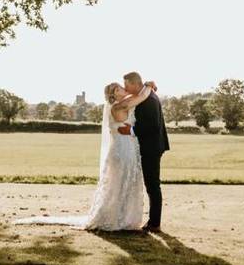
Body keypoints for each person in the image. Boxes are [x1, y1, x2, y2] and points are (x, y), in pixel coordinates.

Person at [14, 77, 156, 231]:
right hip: (122, 151)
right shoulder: (119, 106)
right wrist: (149, 85)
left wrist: (146, 86)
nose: (122, 88)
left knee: (125, 184)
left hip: (127, 148)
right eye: (117, 89)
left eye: (121, 87)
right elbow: (141, 97)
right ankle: (117, 220)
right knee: (121, 184)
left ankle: (123, 218)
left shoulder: (124, 101)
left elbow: (136, 97)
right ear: (113, 96)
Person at [118, 71, 169, 233]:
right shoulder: (146, 94)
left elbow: (152, 126)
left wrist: (131, 130)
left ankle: (154, 223)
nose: (125, 87)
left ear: (134, 83)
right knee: (152, 185)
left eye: (126, 84)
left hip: (152, 147)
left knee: (153, 185)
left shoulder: (148, 99)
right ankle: (154, 222)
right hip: (152, 145)